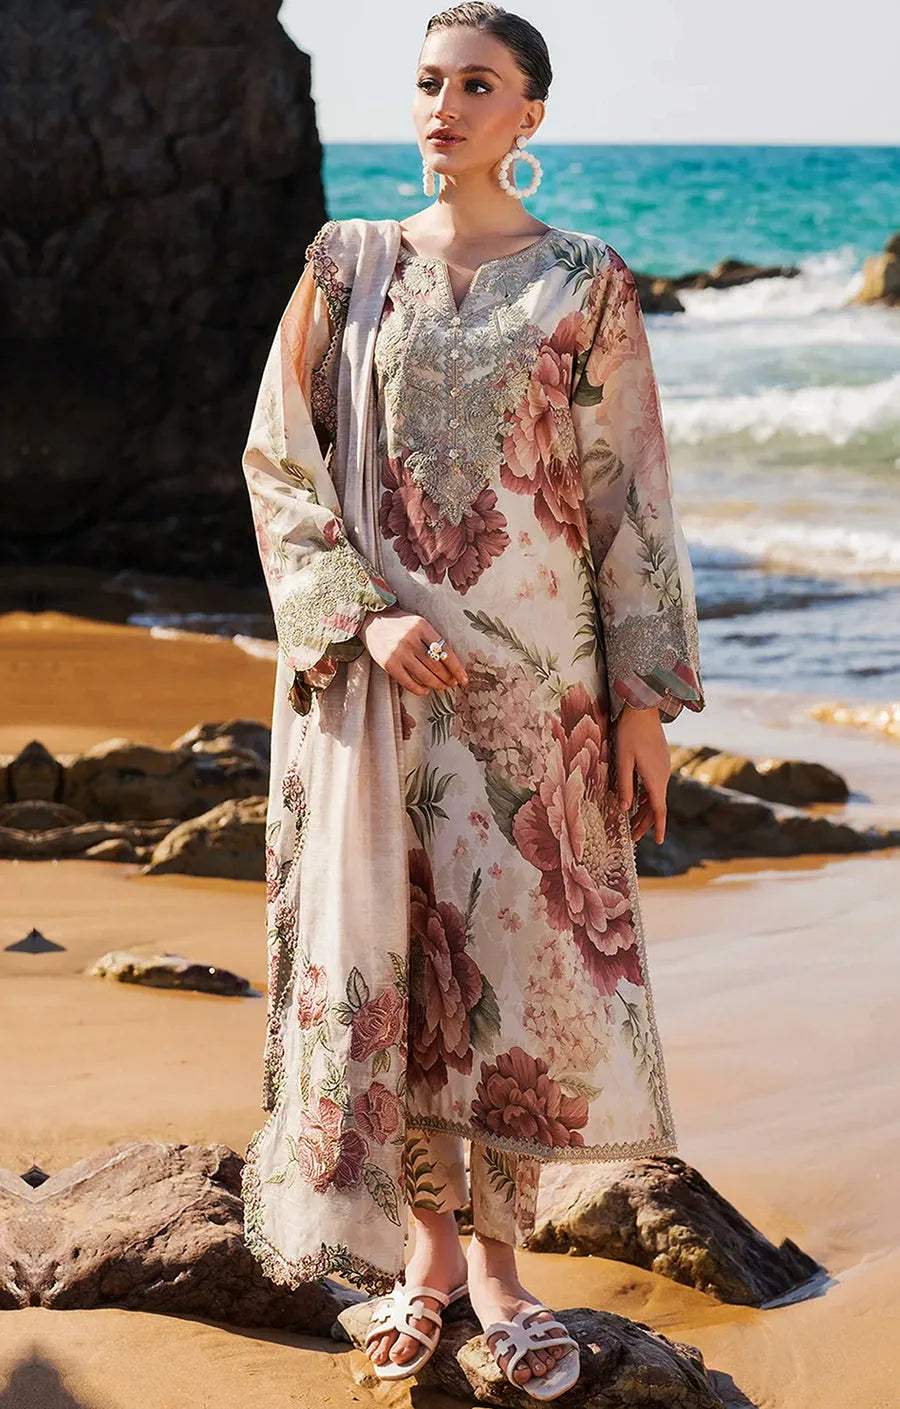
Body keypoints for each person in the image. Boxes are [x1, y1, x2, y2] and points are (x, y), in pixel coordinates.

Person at [240, 2, 704, 1398]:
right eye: (429, 81)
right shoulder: (347, 265)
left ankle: (500, 1272)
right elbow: (279, 462)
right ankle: (426, 1260)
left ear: (530, 115)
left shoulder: (586, 282)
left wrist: (642, 705)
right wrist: (363, 618)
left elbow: (627, 499)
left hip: (540, 696)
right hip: (377, 691)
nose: (443, 105)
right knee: (394, 961)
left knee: (508, 964)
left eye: (478, 84)